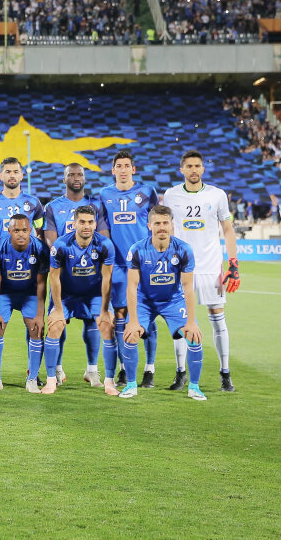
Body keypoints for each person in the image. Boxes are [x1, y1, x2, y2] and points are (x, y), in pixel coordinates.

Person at [161, 150, 240, 392]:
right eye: (189, 166)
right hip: (181, 268)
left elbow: (228, 229)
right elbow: (168, 229)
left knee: (217, 318)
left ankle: (225, 373)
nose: (193, 170)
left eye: (197, 166)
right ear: (181, 170)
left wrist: (233, 262)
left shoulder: (217, 195)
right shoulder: (171, 195)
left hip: (210, 267)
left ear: (203, 169)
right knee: (181, 321)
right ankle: (180, 372)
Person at [120, 206, 207, 400]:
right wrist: (133, 321)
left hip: (172, 301)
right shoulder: (137, 249)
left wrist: (191, 322)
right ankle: (131, 385)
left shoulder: (183, 249)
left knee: (194, 337)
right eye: (157, 223)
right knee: (131, 335)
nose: (161, 227)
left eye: (165, 223)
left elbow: (188, 287)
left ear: (171, 225)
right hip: (144, 301)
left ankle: (194, 387)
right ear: (149, 225)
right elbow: (132, 286)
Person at [98, 150, 161, 387]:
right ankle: (124, 368)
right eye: (119, 166)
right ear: (113, 170)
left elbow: (157, 223)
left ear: (133, 170)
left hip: (144, 264)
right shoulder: (105, 194)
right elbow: (103, 227)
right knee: (121, 315)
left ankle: (149, 369)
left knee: (147, 315)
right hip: (118, 265)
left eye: (127, 166)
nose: (123, 170)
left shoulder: (147, 192)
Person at [48, 206, 116, 394]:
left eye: (90, 222)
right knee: (55, 325)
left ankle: (106, 380)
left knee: (107, 326)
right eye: (82, 222)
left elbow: (107, 278)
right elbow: (53, 277)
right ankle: (52, 378)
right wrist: (58, 309)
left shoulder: (105, 244)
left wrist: (105, 310)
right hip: (66, 294)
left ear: (95, 224)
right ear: (74, 223)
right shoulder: (61, 245)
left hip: (94, 294)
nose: (86, 226)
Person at [0, 215, 49, 393]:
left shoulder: (40, 248)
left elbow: (42, 283)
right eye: (16, 230)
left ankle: (32, 379)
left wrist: (40, 315)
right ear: (9, 231)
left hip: (30, 294)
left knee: (36, 330)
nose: (20, 234)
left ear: (30, 231)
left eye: (24, 230)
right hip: (5, 293)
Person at [0, 156, 44, 245]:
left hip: (27, 253)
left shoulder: (34, 202)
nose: (12, 175)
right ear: (1, 176)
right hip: (1, 253)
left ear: (21, 176)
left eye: (16, 172)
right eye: (8, 172)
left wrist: (35, 248)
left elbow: (41, 231)